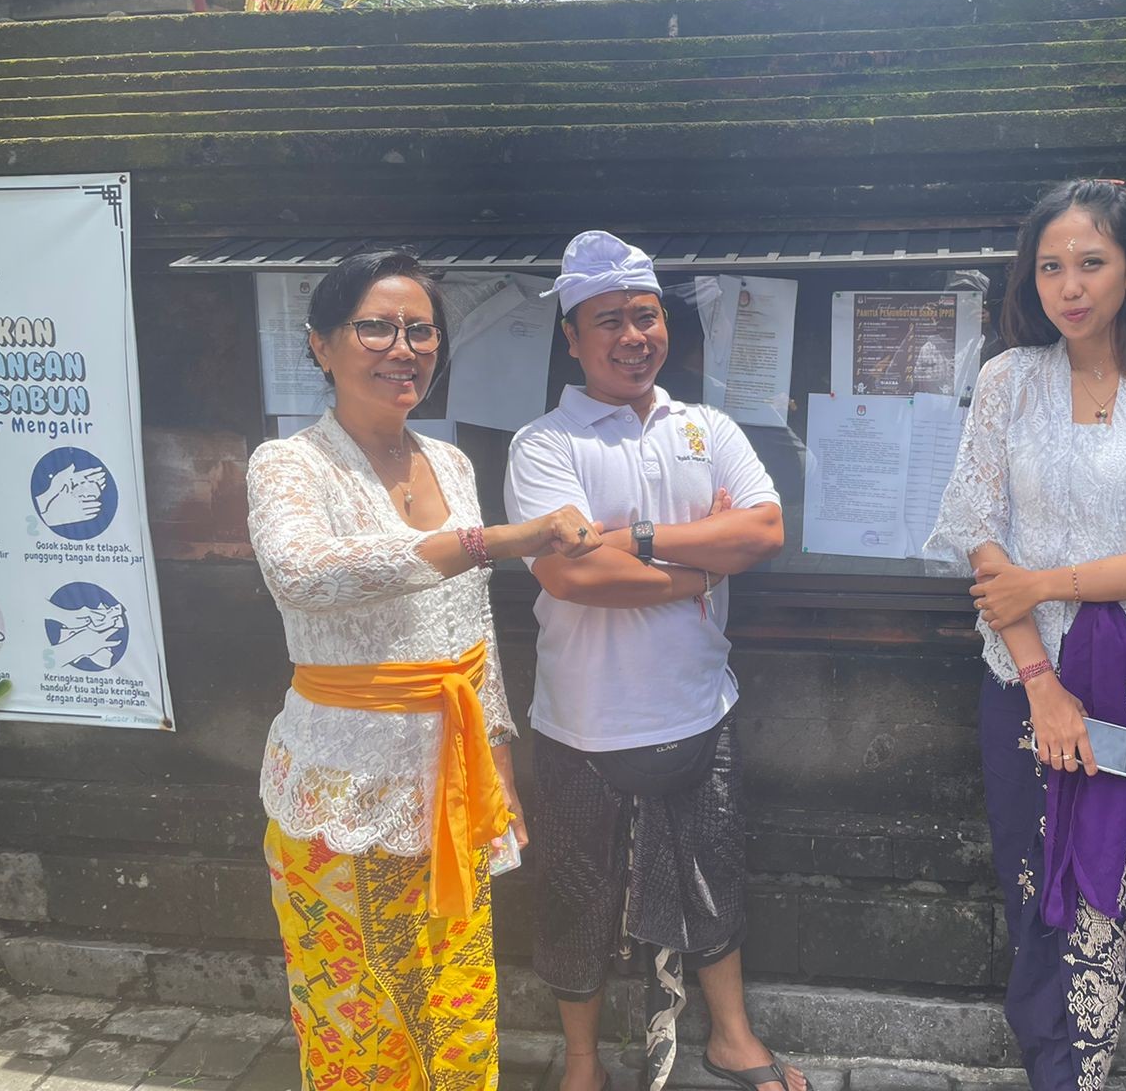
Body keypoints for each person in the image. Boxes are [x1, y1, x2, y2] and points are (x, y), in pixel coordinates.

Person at [247, 249, 600, 1091]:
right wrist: (488, 541)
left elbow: (471, 627)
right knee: (357, 1018)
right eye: (375, 327)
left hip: (451, 782)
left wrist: (502, 762)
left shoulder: (451, 463)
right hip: (339, 788)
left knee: (455, 1006)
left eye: (422, 331)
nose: (403, 348)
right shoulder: (288, 464)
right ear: (321, 344)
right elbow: (301, 573)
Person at [928, 180, 1126, 1091]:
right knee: (1032, 879)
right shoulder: (1008, 382)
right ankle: (1049, 1067)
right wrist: (1041, 681)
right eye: (1050, 266)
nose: (1070, 286)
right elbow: (978, 528)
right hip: (1024, 674)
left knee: (1115, 887)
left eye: (1092, 263)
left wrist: (1048, 582)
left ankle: (1081, 1075)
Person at [504, 231, 808, 1091]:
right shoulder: (545, 444)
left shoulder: (707, 428)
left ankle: (732, 1038)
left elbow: (764, 530)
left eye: (646, 316)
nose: (634, 337)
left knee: (714, 875)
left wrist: (633, 539)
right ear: (572, 338)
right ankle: (582, 1063)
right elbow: (569, 575)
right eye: (609, 322)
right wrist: (698, 567)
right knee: (575, 896)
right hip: (582, 719)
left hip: (698, 704)